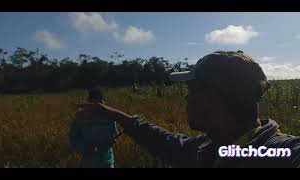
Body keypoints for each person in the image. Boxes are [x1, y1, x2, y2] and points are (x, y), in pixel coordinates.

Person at [83, 51, 300, 168]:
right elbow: (167, 143)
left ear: (214, 97)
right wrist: (116, 115)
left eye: (192, 89)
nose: (186, 96)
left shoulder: (284, 153)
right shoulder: (208, 147)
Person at [69, 87, 119, 168]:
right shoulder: (80, 118)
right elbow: (73, 139)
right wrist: (85, 148)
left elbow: (114, 135)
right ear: (89, 102)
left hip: (107, 162)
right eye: (95, 103)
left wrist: (111, 141)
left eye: (101, 102)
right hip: (88, 163)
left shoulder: (109, 118)